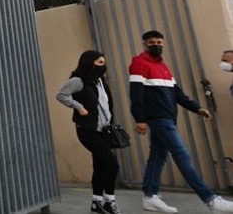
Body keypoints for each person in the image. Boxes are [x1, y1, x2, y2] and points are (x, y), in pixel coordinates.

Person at [130, 30, 233, 213]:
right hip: (158, 118)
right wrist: (140, 119)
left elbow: (176, 92)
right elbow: (136, 94)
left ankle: (149, 196)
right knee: (181, 155)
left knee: (157, 157)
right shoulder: (139, 63)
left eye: (159, 42)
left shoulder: (163, 66)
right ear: (144, 44)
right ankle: (211, 200)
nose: (156, 45)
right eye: (152, 42)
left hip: (168, 117)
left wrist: (196, 108)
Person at [56, 50, 122, 214]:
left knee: (100, 165)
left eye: (104, 63)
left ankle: (96, 202)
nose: (104, 66)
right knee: (112, 164)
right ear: (89, 63)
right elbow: (61, 95)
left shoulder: (100, 82)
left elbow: (106, 105)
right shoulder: (78, 81)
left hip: (104, 130)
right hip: (87, 130)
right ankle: (110, 201)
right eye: (100, 62)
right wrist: (78, 107)